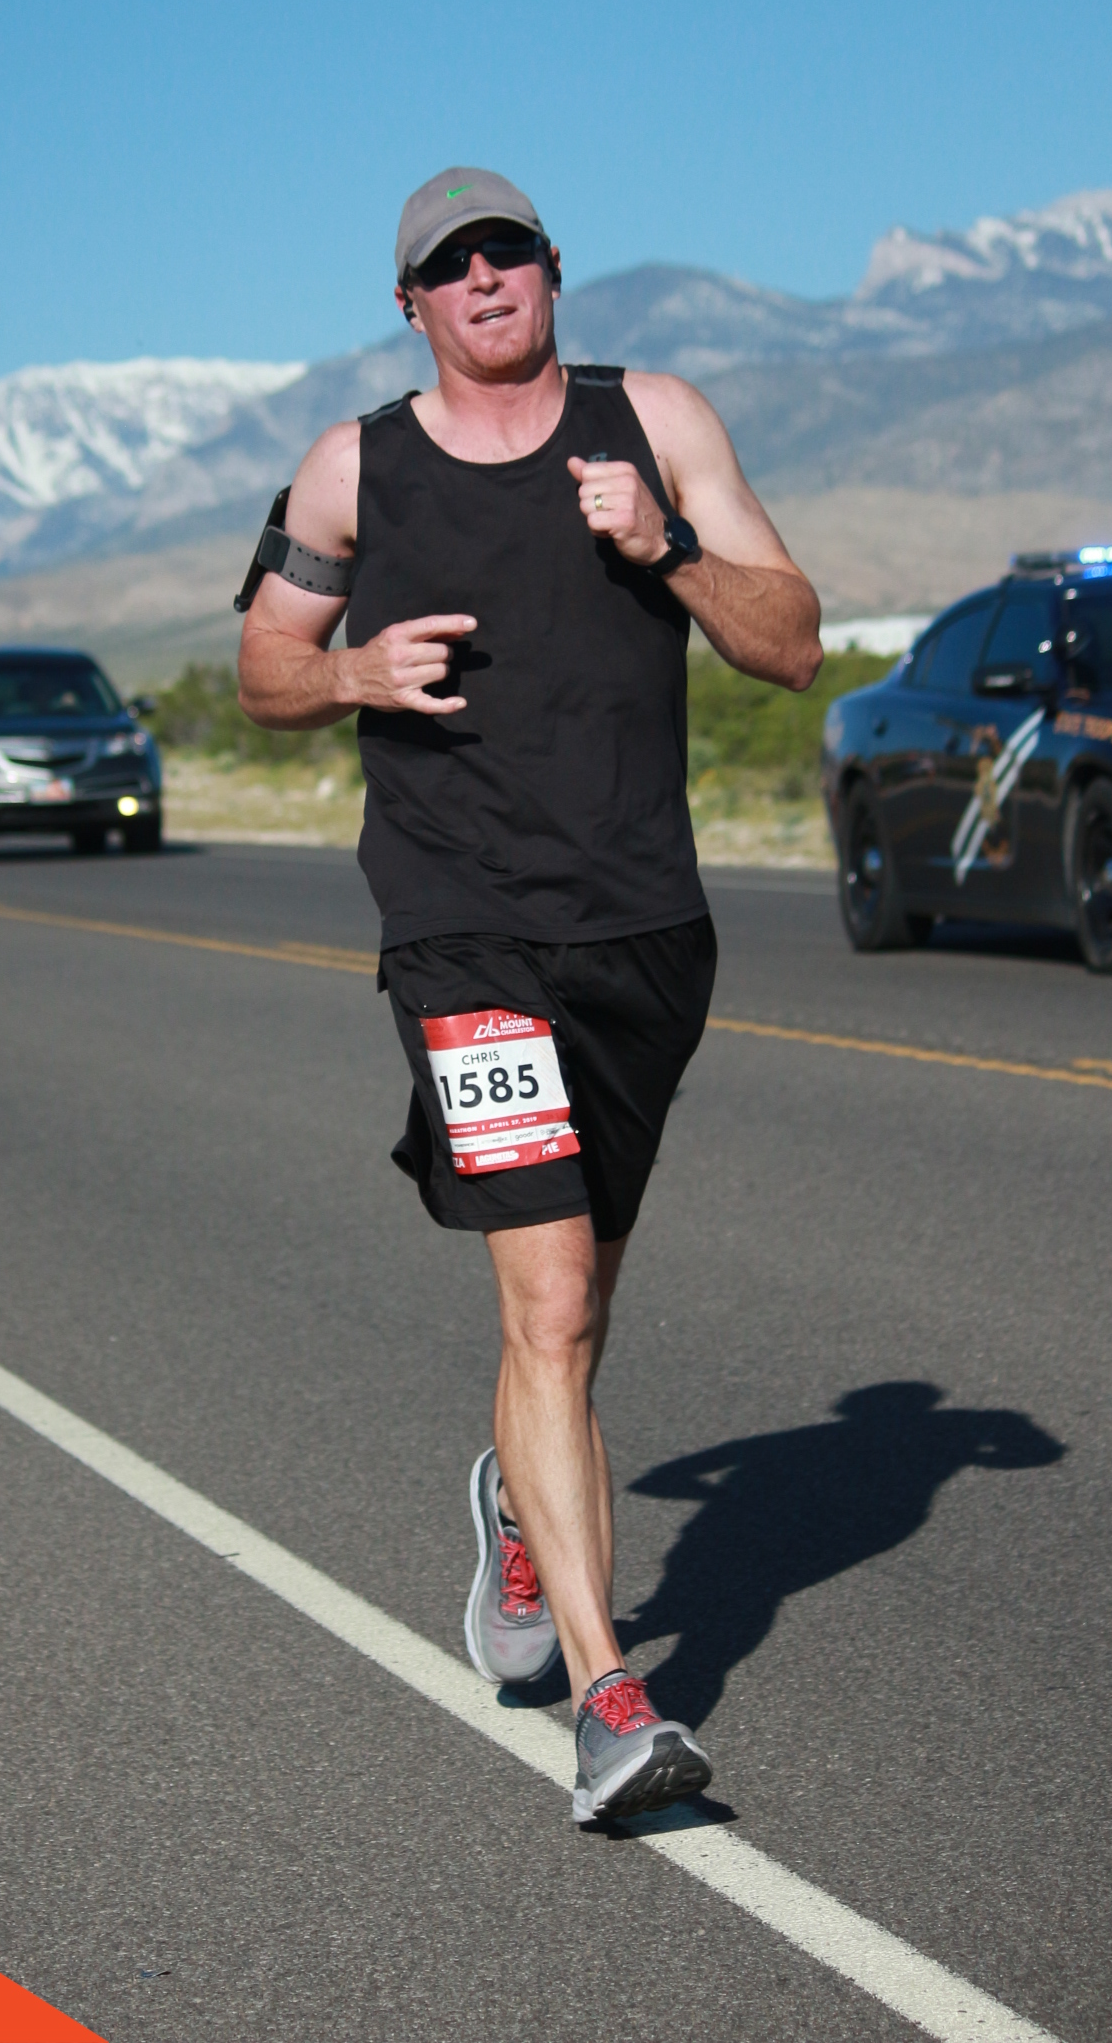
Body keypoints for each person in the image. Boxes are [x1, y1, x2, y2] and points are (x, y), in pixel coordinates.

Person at [237, 166, 822, 1825]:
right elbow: (265, 669)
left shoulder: (659, 423)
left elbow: (792, 641)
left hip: (643, 932)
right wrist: (351, 670)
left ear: (553, 272)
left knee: (583, 1301)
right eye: (452, 265)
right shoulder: (354, 467)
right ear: (410, 303)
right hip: (462, 935)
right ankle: (612, 1702)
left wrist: (668, 544)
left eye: (510, 253)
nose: (485, 279)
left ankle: (518, 1497)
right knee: (548, 1308)